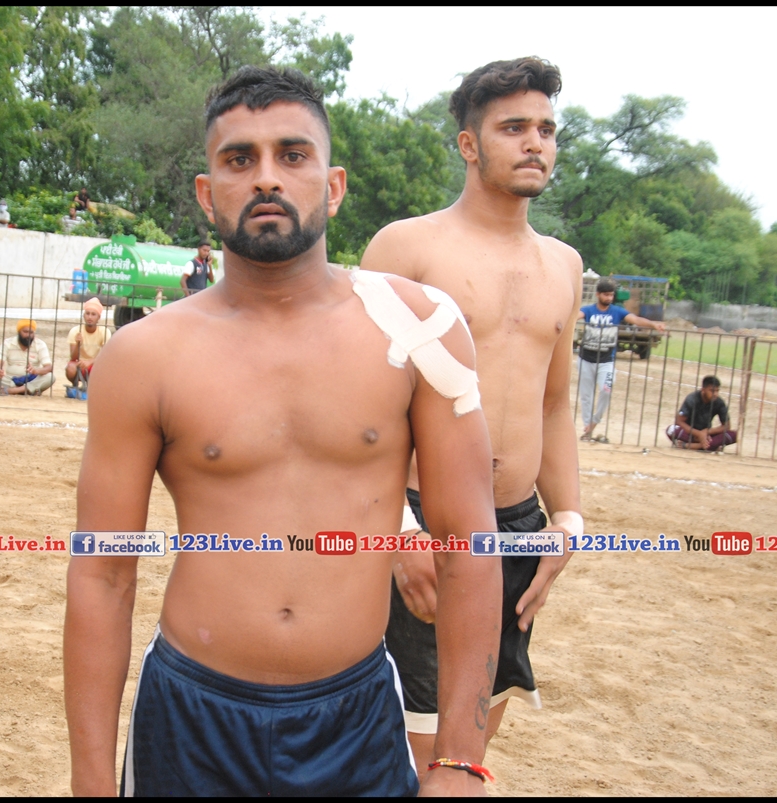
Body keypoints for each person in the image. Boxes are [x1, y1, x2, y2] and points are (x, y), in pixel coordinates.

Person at [64, 66, 500, 797]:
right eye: (239, 159)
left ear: (333, 185)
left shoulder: (421, 328)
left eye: (292, 155)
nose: (266, 177)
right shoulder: (142, 357)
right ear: (208, 193)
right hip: (191, 719)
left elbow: (469, 546)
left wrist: (460, 760)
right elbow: (103, 574)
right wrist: (90, 784)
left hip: (356, 718)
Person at [359, 56, 586, 771]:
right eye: (513, 127)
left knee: (475, 743)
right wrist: (397, 529)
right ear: (468, 143)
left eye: (546, 128)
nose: (535, 142)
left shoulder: (565, 265)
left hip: (517, 528)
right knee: (420, 750)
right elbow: (361, 407)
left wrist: (567, 520)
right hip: (425, 520)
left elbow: (554, 401)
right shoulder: (406, 247)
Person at [576, 277, 666, 442]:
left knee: (606, 389)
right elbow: (576, 315)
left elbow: (636, 320)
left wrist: (653, 324)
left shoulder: (617, 311)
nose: (609, 298)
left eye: (611, 295)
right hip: (586, 359)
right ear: (598, 295)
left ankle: (595, 421)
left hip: (606, 360)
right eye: (606, 295)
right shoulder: (589, 310)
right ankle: (587, 428)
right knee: (586, 395)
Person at [666, 375, 738, 450]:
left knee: (735, 435)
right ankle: (710, 446)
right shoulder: (692, 399)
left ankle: (689, 446)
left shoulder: (719, 402)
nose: (715, 394)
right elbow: (679, 421)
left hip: (707, 435)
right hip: (690, 433)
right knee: (671, 429)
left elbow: (726, 426)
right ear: (703, 390)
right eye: (712, 391)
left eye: (717, 391)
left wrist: (707, 431)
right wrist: (698, 434)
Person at [0, 320, 55, 395]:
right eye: (25, 332)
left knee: (50, 377)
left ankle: (12, 390)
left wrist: (36, 371)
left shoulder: (40, 344)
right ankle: (29, 390)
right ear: (19, 332)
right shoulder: (8, 343)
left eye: (31, 332)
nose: (28, 335)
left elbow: (49, 367)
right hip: (11, 380)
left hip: (32, 379)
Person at [64, 297, 110, 399]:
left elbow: (106, 355)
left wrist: (90, 361)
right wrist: (78, 344)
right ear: (83, 315)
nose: (90, 317)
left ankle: (93, 387)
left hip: (96, 363)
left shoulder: (104, 332)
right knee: (70, 368)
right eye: (87, 313)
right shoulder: (75, 331)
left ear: (98, 317)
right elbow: (73, 357)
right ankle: (75, 385)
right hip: (79, 363)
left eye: (93, 314)